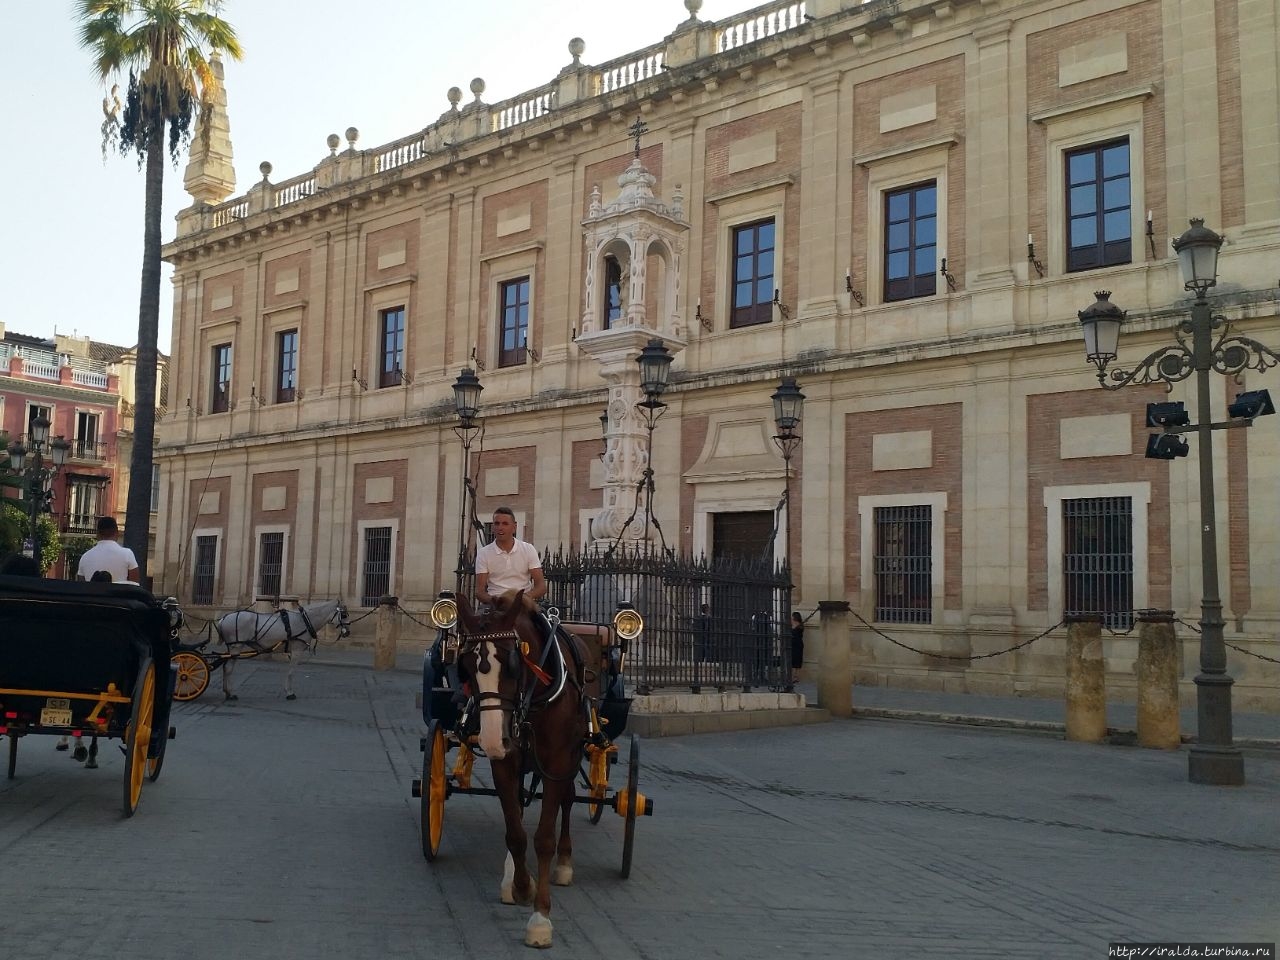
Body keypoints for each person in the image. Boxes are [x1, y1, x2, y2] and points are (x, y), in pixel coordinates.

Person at [474, 506, 546, 605]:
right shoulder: (484, 553)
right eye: (497, 523)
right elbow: (479, 591)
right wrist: (495, 601)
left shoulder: (528, 549)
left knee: (544, 620)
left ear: (514, 527)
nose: (500, 527)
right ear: (492, 528)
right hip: (495, 604)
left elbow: (541, 586)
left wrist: (524, 598)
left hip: (523, 602)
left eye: (505, 524)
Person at [76, 516, 139, 584]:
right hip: (119, 594)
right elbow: (134, 585)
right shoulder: (127, 554)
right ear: (117, 533)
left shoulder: (85, 557)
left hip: (93, 594)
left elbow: (82, 586)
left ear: (97, 534)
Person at [790, 611, 805, 679]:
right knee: (792, 660)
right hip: (793, 644)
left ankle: (796, 676)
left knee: (797, 660)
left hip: (797, 644)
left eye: (792, 616)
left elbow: (797, 634)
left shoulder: (800, 626)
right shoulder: (792, 624)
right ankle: (793, 676)